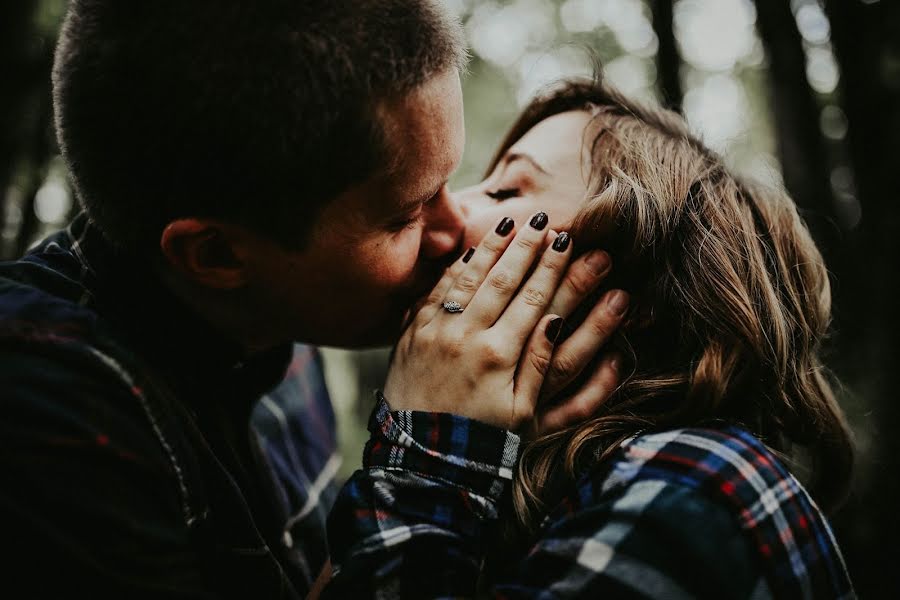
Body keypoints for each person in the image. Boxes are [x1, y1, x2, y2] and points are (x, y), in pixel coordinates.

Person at [0, 2, 625, 598]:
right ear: (217, 257)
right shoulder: (46, 422)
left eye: (449, 182)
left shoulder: (281, 323)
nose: (455, 226)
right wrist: (431, 462)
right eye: (405, 214)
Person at [324, 77, 856, 598]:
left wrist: (424, 464)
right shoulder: (531, 484)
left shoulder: (695, 484)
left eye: (506, 188)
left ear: (636, 297)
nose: (450, 213)